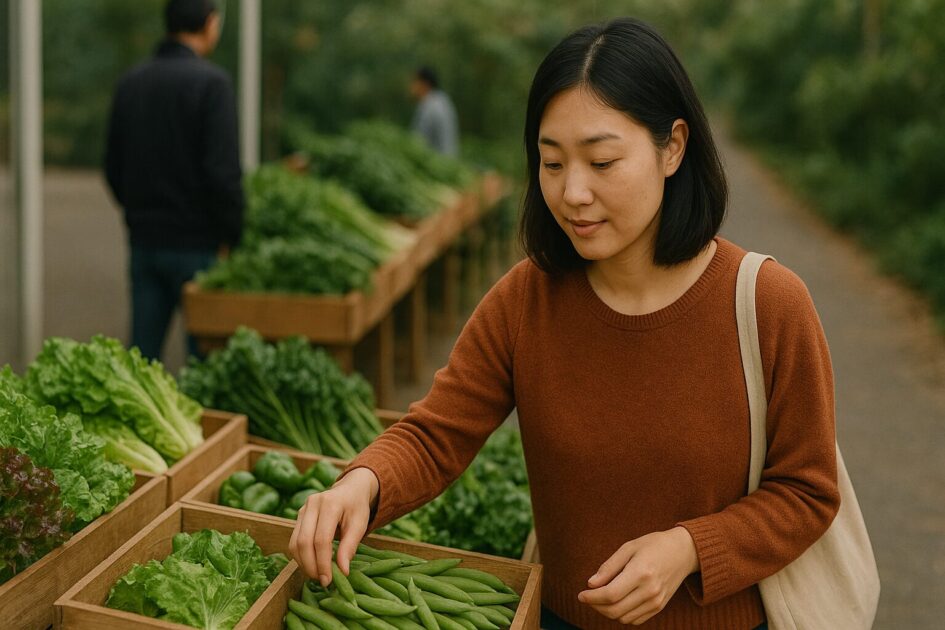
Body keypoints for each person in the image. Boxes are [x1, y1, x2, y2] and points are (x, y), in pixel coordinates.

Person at [290, 18, 839, 629]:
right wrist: (361, 483)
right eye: (552, 164)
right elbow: (436, 433)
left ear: (673, 147)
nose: (573, 191)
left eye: (602, 162)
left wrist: (688, 548)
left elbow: (807, 491)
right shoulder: (527, 300)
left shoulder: (769, 302)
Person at [105, 0, 243, 361]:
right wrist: (233, 234)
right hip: (198, 245)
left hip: (145, 241)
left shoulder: (131, 83)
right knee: (204, 363)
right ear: (210, 24)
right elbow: (222, 174)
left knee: (140, 363)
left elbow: (112, 167)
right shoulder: (213, 84)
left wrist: (139, 210)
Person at [409, 65, 460, 157]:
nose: (412, 86)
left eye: (415, 81)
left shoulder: (428, 106)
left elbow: (417, 144)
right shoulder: (444, 100)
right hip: (451, 162)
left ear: (424, 83)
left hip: (437, 165)